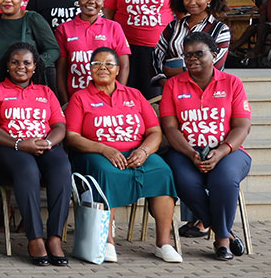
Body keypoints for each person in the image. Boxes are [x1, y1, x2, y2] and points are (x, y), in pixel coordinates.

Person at [63, 47, 183, 263]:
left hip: (136, 151)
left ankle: (164, 243)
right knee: (106, 173)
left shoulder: (134, 95)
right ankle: (107, 240)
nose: (103, 68)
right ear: (89, 69)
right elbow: (71, 137)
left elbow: (155, 132)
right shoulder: (80, 98)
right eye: (96, 64)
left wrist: (144, 150)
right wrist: (104, 149)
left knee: (162, 171)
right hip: (95, 153)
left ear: (118, 69)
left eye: (109, 64)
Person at [160, 33, 252, 261]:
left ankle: (221, 238)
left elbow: (242, 126)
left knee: (224, 179)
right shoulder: (173, 85)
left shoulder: (232, 83)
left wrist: (221, 151)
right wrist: (191, 153)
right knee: (183, 180)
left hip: (228, 150)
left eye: (199, 53)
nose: (192, 59)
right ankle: (225, 234)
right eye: (187, 55)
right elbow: (171, 129)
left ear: (214, 54)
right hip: (185, 151)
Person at [0, 42, 71, 267]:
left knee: (62, 167)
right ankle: (35, 238)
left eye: (26, 63)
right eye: (15, 62)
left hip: (43, 145)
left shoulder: (45, 92)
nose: (20, 67)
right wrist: (20, 144)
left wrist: (48, 142)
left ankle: (54, 237)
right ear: (7, 66)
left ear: (34, 67)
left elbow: (60, 126)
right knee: (27, 168)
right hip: (7, 149)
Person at [104, 0, 180, 98]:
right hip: (127, 49)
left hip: (159, 48)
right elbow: (108, 14)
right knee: (128, 94)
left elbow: (182, 11)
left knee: (155, 97)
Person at [55, 0, 131, 105]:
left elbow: (124, 66)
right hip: (75, 99)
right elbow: (61, 71)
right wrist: (65, 103)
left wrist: (117, 95)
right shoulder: (64, 29)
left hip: (107, 98)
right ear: (78, 0)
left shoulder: (114, 27)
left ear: (103, 2)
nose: (91, 1)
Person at [153, 0, 230, 86]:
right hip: (173, 85)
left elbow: (216, 63)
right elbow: (157, 55)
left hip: (206, 87)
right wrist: (163, 81)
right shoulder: (173, 27)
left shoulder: (220, 29)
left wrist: (182, 71)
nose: (192, 2)